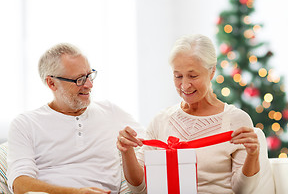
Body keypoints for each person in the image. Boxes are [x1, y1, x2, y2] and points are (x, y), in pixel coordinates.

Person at [117, 34, 273, 194]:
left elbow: (242, 190)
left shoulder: (236, 120)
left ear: (212, 71)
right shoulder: (160, 121)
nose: (184, 85)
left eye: (193, 76)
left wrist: (252, 155)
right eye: (178, 76)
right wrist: (126, 152)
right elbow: (140, 189)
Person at [7, 43, 144, 194]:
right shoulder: (25, 124)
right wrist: (76, 193)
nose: (89, 85)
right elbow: (20, 184)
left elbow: (154, 147)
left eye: (89, 75)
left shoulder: (111, 112)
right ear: (51, 83)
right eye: (80, 79)